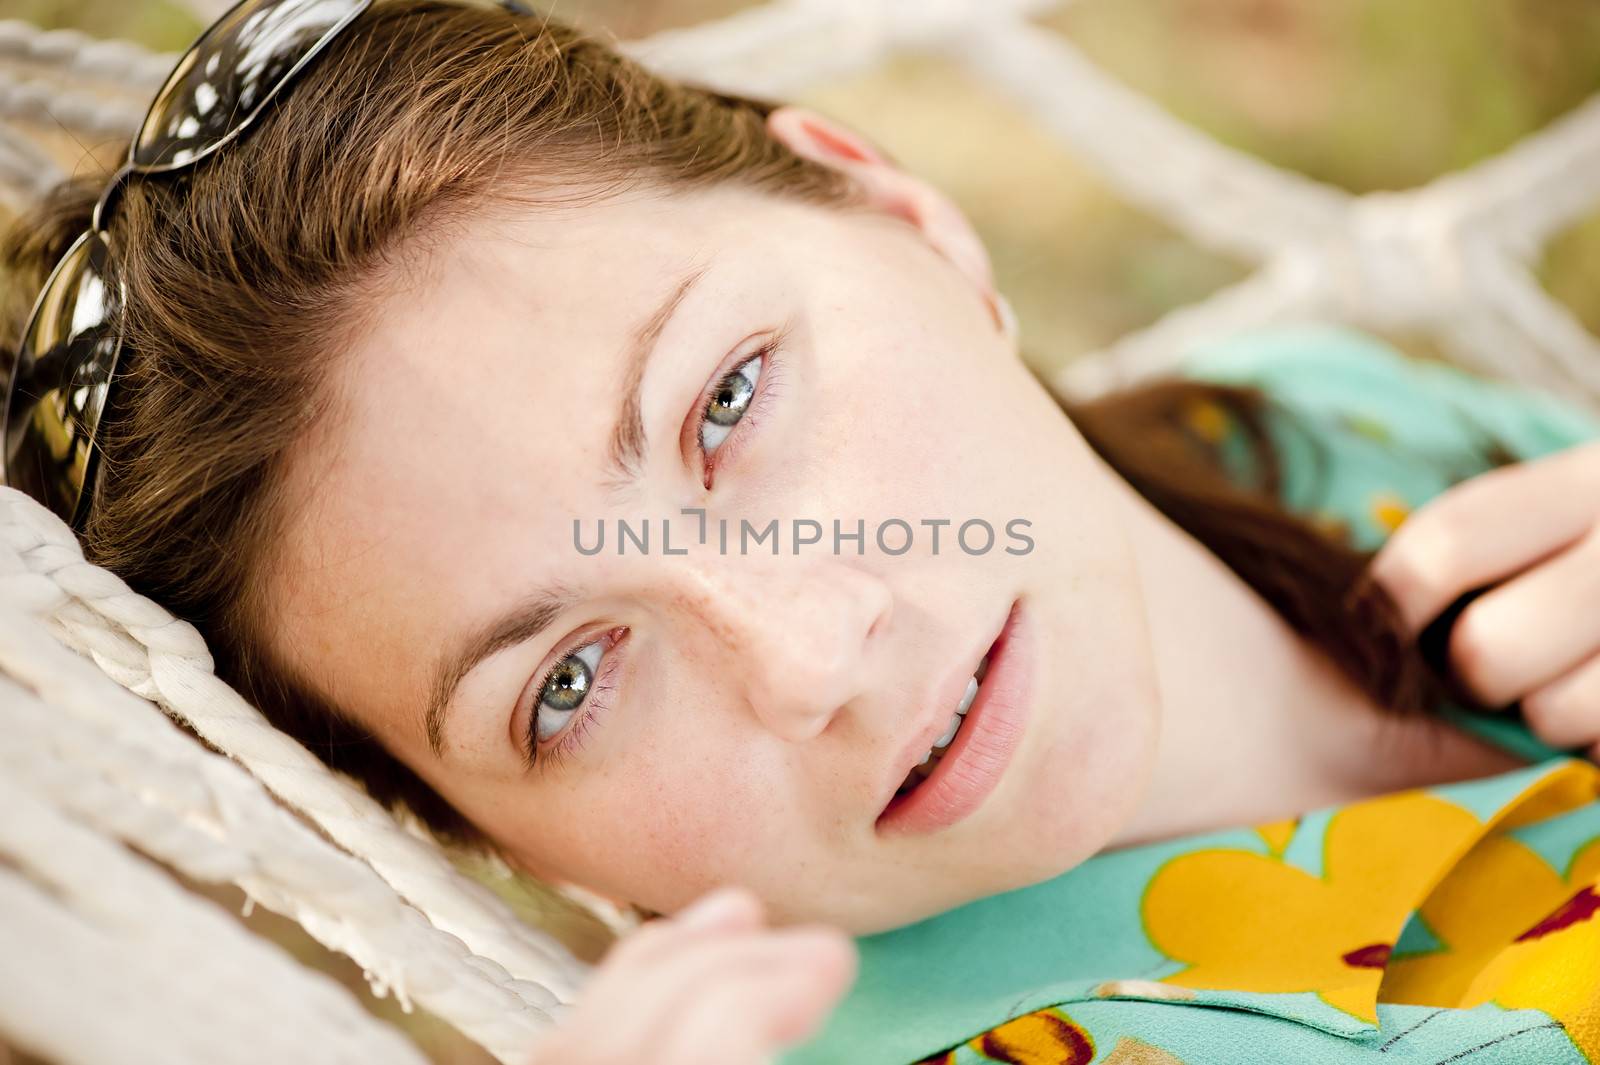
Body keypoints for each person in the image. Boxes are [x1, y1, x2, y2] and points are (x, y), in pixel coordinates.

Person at [4, 2, 1599, 1062]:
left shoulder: (1315, 415)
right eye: (567, 681)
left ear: (898, 208)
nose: (811, 655)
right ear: (493, 846)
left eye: (730, 401)